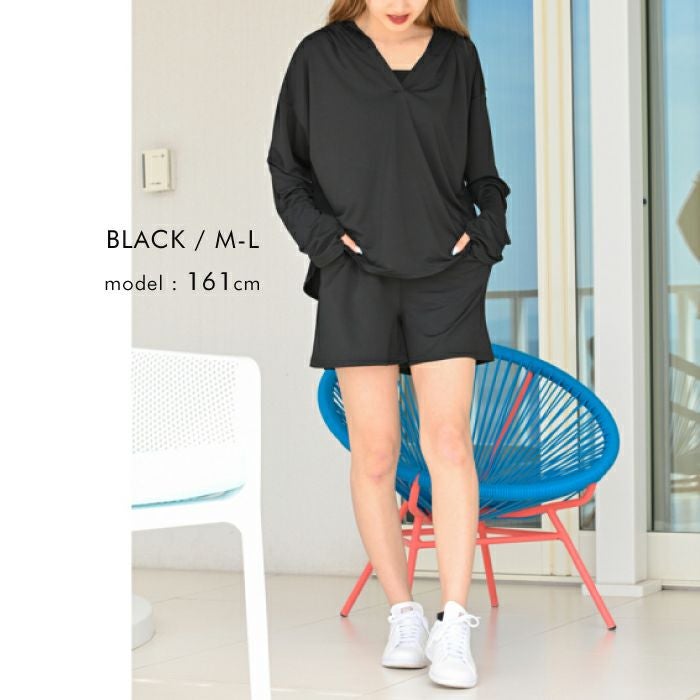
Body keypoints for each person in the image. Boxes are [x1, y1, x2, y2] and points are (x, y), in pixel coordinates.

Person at [267, 0, 511, 690]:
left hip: (445, 277)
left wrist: (485, 236)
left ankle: (453, 622)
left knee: (450, 443)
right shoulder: (319, 58)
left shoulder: (457, 58)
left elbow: (483, 175)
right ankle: (404, 614)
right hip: (355, 277)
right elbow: (287, 169)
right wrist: (325, 244)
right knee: (374, 453)